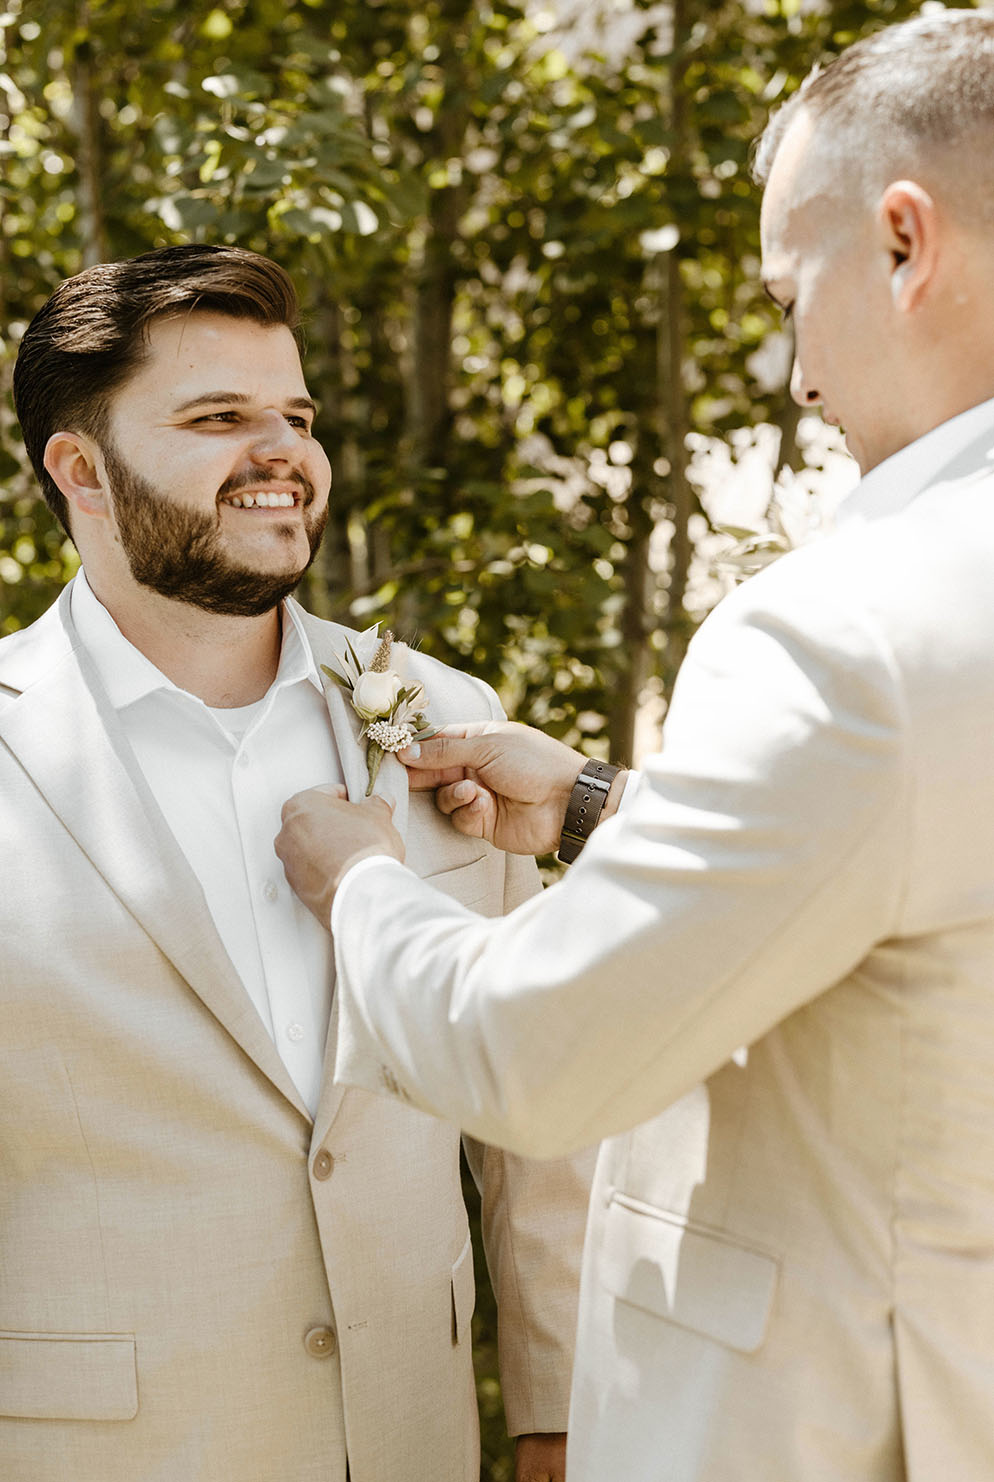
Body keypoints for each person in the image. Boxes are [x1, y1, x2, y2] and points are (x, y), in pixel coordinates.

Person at [275, 12, 994, 1481]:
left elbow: (528, 1053)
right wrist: (613, 806)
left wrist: (360, 879)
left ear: (904, 245)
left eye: (793, 293)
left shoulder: (852, 627)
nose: (793, 372)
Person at [0, 243, 595, 1482]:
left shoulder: (441, 716)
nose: (283, 452)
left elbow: (530, 1108)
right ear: (80, 469)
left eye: (296, 416)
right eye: (220, 417)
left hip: (408, 1443)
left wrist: (557, 1406)